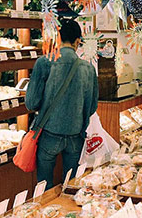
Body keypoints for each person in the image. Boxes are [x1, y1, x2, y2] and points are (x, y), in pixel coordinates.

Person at [25, 19, 99, 189]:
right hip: (75, 135)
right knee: (71, 185)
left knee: (44, 186)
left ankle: (45, 205)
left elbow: (31, 103)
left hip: (49, 134)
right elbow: (92, 106)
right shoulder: (88, 68)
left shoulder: (44, 62)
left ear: (57, 38)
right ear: (77, 41)